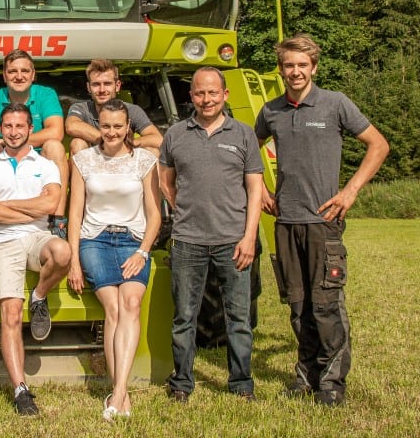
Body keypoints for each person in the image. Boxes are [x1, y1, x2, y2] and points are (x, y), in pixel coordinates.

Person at [255, 35, 388, 407]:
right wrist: (263, 191)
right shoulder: (271, 111)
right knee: (297, 305)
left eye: (302, 65)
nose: (295, 72)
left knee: (326, 306)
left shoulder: (335, 104)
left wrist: (350, 191)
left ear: (314, 67)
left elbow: (379, 145)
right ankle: (306, 376)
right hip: (286, 223)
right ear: (280, 70)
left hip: (323, 221)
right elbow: (248, 152)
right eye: (288, 66)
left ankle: (331, 383)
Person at [158, 67, 266, 402]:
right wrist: (183, 212)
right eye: (200, 93)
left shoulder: (244, 134)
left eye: (213, 93)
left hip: (233, 241)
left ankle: (241, 383)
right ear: (191, 97)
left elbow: (255, 189)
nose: (207, 99)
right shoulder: (176, 135)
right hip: (188, 241)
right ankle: (182, 383)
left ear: (225, 95)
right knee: (184, 318)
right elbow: (165, 180)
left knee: (238, 318)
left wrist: (249, 238)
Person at [65, 100, 161, 421]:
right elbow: (75, 212)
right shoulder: (83, 160)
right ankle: (120, 391)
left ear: (128, 128)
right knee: (115, 308)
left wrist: (143, 251)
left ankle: (118, 391)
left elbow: (154, 214)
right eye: (106, 126)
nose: (111, 132)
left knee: (131, 304)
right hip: (95, 240)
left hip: (134, 240)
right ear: (99, 126)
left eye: (118, 126)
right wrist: (75, 260)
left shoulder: (144, 161)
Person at [0, 102, 72, 416]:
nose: (14, 132)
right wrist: (33, 206)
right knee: (12, 316)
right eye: (7, 127)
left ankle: (39, 295)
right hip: (3, 243)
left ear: (31, 130)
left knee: (63, 251)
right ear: (0, 130)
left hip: (38, 238)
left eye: (20, 126)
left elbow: (53, 203)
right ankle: (20, 390)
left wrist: (9, 207)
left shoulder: (45, 164)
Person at [0, 50, 68, 224]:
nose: (19, 76)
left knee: (54, 146)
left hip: (39, 157)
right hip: (3, 159)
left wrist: (8, 140)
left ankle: (58, 220)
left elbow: (56, 132)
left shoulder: (46, 94)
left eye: (25, 71)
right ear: (4, 75)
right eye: (12, 71)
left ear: (33, 75)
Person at [65, 59, 163, 156]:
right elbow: (71, 126)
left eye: (107, 84)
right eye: (96, 84)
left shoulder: (132, 110)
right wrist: (110, 140)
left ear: (117, 86)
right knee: (77, 143)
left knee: (152, 150)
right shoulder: (81, 108)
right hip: (92, 165)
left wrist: (129, 144)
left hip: (125, 162)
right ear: (88, 87)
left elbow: (158, 139)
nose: (102, 90)